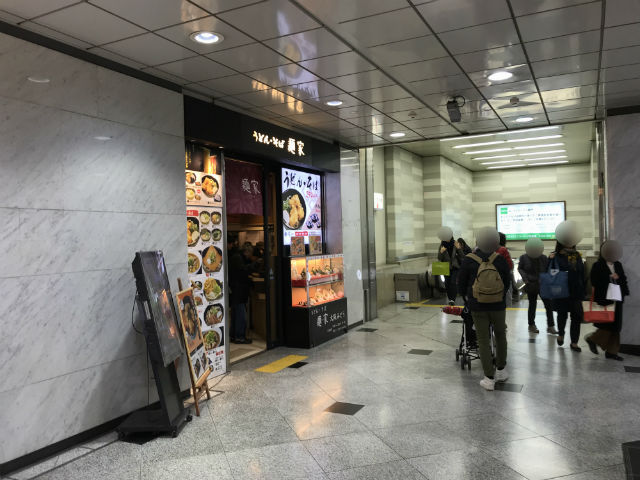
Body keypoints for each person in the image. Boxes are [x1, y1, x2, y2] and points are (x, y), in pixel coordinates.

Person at [458, 227, 511, 391]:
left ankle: (489, 378)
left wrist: (468, 298)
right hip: (498, 305)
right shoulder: (500, 259)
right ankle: (501, 370)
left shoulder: (469, 260)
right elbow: (507, 283)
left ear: (478, 241)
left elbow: (461, 284)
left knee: (483, 339)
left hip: (477, 305)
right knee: (500, 335)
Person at [585, 240, 629, 361]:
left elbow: (623, 280)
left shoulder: (618, 265)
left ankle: (612, 352)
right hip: (605, 299)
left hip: (617, 299)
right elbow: (594, 281)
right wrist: (609, 277)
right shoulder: (597, 265)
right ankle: (593, 339)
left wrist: (618, 279)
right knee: (608, 325)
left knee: (616, 327)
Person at [550, 240, 586, 352]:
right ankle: (561, 334)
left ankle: (574, 342)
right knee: (562, 315)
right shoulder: (555, 255)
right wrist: (552, 260)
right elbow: (552, 272)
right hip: (562, 290)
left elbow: (581, 271)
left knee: (576, 317)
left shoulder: (577, 255)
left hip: (576, 291)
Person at [518, 238, 557, 334]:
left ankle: (550, 326)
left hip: (543, 284)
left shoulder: (543, 258)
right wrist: (526, 279)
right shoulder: (523, 257)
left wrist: (551, 260)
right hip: (531, 284)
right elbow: (520, 268)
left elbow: (548, 268)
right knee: (532, 304)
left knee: (548, 305)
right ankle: (531, 325)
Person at [229, 243, 255, 344]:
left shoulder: (237, 257)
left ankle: (233, 336)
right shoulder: (238, 258)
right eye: (250, 253)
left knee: (236, 314)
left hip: (236, 290)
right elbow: (243, 271)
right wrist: (254, 264)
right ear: (247, 251)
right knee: (240, 315)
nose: (250, 256)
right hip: (239, 290)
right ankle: (240, 337)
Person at [438, 235, 465, 305]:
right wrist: (441, 252)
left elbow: (462, 255)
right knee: (447, 283)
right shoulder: (442, 245)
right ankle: (450, 298)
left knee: (453, 282)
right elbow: (439, 258)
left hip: (455, 266)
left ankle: (453, 299)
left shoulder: (455, 243)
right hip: (445, 267)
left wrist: (458, 248)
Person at [497, 233, 516, 306]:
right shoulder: (503, 250)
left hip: (490, 280)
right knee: (506, 301)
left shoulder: (487, 249)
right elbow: (510, 266)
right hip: (503, 279)